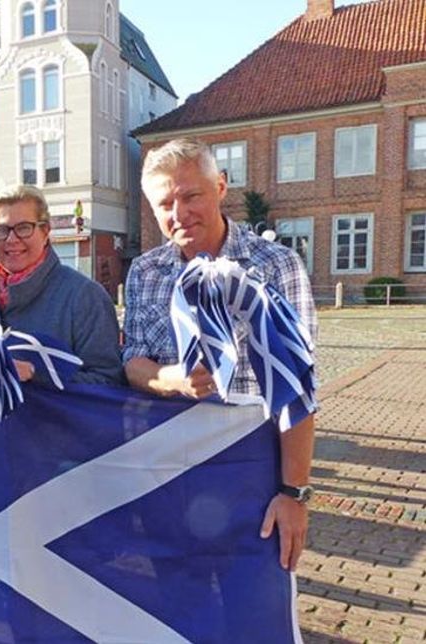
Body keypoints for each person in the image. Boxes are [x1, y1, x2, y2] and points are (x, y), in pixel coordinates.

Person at [123, 137, 317, 571]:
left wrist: (294, 493)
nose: (179, 214)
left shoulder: (276, 266)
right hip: (168, 476)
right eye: (165, 204)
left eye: (191, 195)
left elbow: (299, 390)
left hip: (251, 474)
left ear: (221, 187)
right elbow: (132, 360)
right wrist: (168, 378)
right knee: (174, 607)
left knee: (248, 616)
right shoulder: (144, 271)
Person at [0, 184, 123, 386]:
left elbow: (109, 383)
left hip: (59, 419)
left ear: (45, 231)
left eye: (24, 228)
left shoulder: (85, 297)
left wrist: (36, 374)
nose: (12, 239)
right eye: (1, 230)